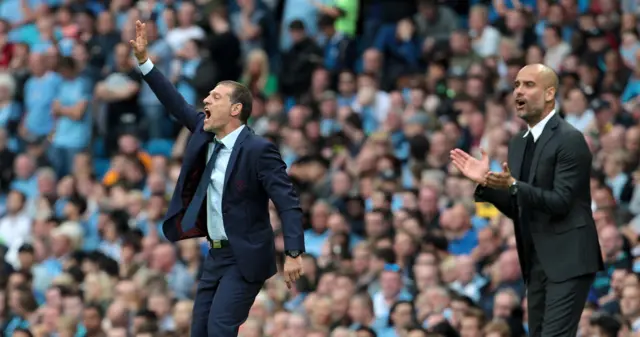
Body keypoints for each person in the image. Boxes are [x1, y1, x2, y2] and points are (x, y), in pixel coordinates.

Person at [129, 20, 305, 337]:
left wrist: (293, 253)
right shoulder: (202, 131)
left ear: (236, 109)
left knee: (220, 329)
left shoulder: (258, 149)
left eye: (216, 97)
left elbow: (287, 203)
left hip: (245, 257)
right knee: (199, 331)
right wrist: (144, 61)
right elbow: (174, 101)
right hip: (216, 255)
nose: (206, 100)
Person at [449, 63, 603, 336]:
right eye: (517, 85)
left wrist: (514, 185)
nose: (519, 91)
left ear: (549, 94)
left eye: (529, 85)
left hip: (569, 256)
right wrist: (485, 182)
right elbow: (519, 204)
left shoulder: (570, 139)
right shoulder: (518, 143)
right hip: (535, 258)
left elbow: (560, 202)